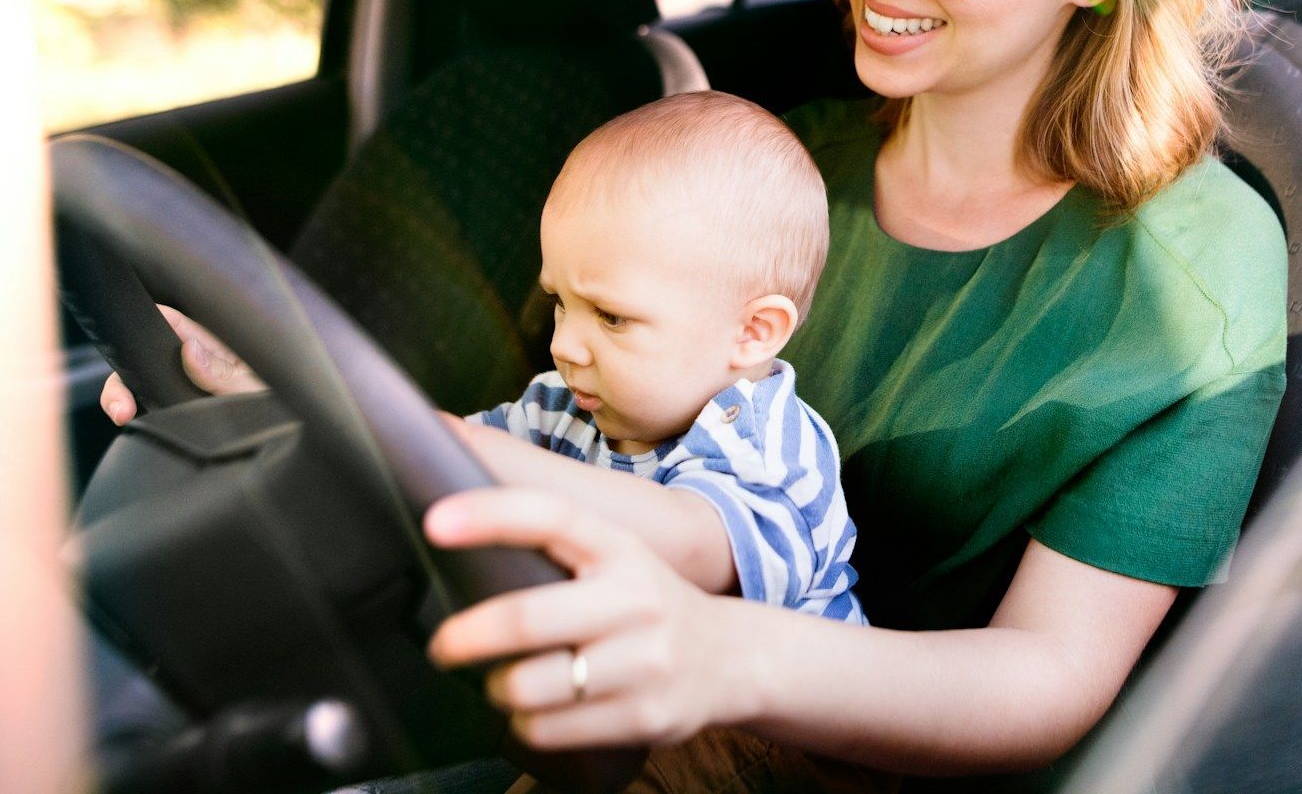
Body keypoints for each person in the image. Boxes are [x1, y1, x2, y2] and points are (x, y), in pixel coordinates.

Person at [108, 0, 1289, 788]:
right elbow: (569, 431)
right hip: (620, 704)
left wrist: (722, 655)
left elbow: (1050, 676)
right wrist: (291, 389)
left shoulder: (1195, 274)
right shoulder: (773, 167)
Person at [104, 90, 866, 626]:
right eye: (560, 303)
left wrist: (455, 443)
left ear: (753, 334)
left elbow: (697, 548)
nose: (565, 343)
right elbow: (419, 461)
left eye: (612, 316)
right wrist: (258, 382)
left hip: (791, 754)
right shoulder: (560, 408)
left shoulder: (772, 444)